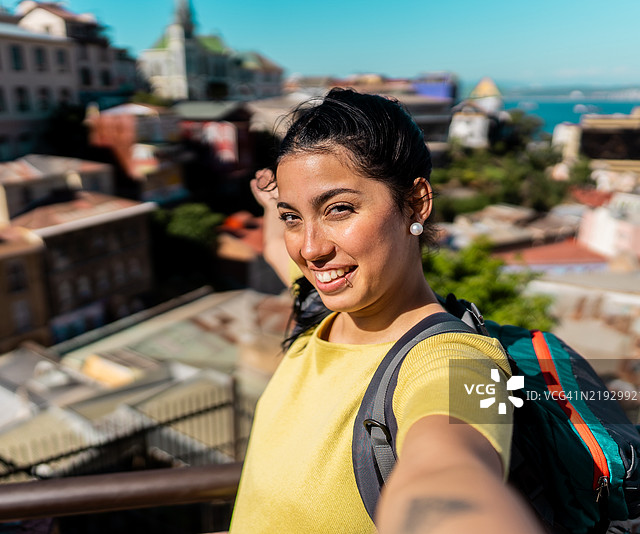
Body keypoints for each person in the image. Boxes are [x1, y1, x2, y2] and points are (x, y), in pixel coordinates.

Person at [228, 88, 544, 534]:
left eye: (339, 209)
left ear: (415, 203)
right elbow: (283, 257)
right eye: (293, 218)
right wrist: (271, 205)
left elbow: (448, 475)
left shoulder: (461, 362)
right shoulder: (323, 306)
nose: (310, 249)